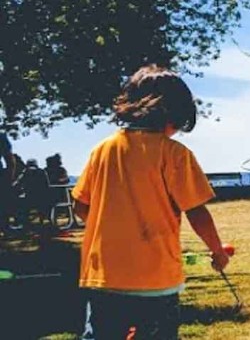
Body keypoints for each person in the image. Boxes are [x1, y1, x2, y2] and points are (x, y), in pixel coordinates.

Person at [71, 64, 230, 338]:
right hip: (156, 278)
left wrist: (117, 230)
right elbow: (196, 211)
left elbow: (81, 206)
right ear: (175, 115)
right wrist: (217, 251)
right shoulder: (175, 154)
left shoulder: (102, 150)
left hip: (105, 275)